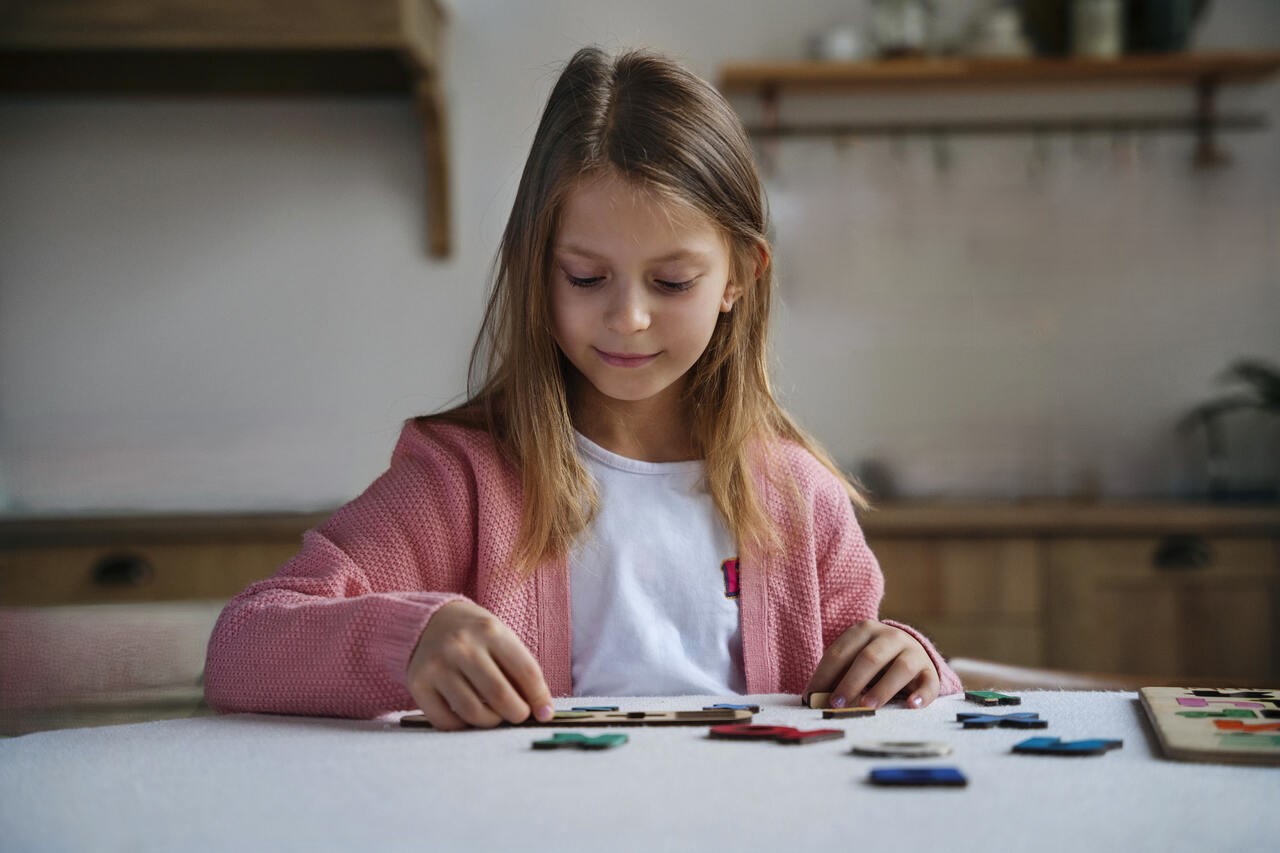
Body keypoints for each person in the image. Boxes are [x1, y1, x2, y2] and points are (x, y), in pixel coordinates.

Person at [203, 46, 962, 730]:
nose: (628, 318)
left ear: (739, 275)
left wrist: (916, 662)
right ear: (538, 269)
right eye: (586, 276)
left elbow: (881, 695)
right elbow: (244, 642)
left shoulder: (801, 501)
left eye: (671, 281)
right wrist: (408, 642)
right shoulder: (462, 480)